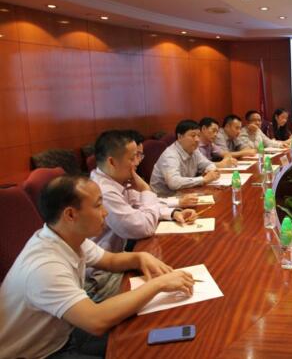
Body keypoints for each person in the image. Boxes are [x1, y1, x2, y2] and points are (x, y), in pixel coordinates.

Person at [0, 175, 195, 358]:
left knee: (144, 335)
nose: (105, 212)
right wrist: (158, 284)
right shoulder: (45, 267)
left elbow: (109, 261)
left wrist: (140, 257)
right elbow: (96, 321)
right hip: (39, 353)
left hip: (63, 333)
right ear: (70, 215)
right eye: (98, 205)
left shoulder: (68, 236)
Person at [88, 130, 197, 301]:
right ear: (112, 162)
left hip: (120, 259)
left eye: (139, 156)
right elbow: (142, 227)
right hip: (101, 277)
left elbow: (143, 204)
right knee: (170, 285)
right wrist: (146, 189)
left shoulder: (115, 180)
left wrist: (173, 212)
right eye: (133, 158)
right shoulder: (104, 191)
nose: (138, 162)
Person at [150, 119, 220, 196]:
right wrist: (203, 179)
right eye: (193, 136)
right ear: (180, 137)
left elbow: (208, 164)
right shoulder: (170, 155)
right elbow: (174, 183)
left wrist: (210, 171)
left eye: (198, 136)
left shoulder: (194, 150)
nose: (197, 140)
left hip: (185, 193)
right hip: (164, 199)